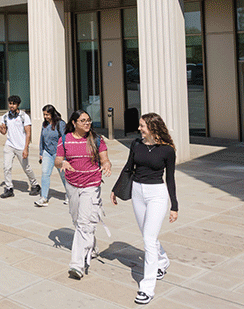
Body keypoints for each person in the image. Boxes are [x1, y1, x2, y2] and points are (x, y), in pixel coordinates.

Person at [111, 113, 178, 305]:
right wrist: (116, 189)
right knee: (147, 234)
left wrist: (174, 206)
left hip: (157, 194)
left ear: (153, 128)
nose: (139, 129)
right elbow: (128, 167)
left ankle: (147, 287)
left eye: (142, 126)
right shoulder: (136, 144)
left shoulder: (167, 151)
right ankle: (163, 261)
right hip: (138, 192)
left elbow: (171, 180)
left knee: (148, 239)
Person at [55, 109, 111, 280]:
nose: (87, 123)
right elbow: (57, 160)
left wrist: (107, 165)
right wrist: (62, 162)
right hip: (72, 185)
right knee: (76, 219)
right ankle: (91, 247)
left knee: (83, 222)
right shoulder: (64, 139)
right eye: (83, 121)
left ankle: (77, 265)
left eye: (88, 120)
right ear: (74, 123)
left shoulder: (96, 139)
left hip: (91, 185)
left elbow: (105, 159)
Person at [0, 95, 39, 198]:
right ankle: (9, 188)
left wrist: (26, 148)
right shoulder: (5, 116)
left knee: (26, 168)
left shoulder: (24, 116)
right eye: (10, 103)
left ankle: (35, 185)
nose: (11, 105)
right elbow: (4, 132)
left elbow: (28, 133)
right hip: (9, 145)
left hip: (21, 146)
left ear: (18, 105)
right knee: (6, 167)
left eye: (14, 104)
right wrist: (1, 130)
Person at [34, 104, 69, 207]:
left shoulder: (60, 124)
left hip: (59, 154)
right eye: (44, 114)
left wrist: (64, 155)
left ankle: (70, 195)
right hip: (47, 153)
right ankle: (43, 198)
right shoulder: (44, 124)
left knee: (64, 175)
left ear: (52, 114)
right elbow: (42, 139)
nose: (45, 117)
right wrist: (41, 153)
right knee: (45, 174)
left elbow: (65, 139)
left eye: (47, 114)